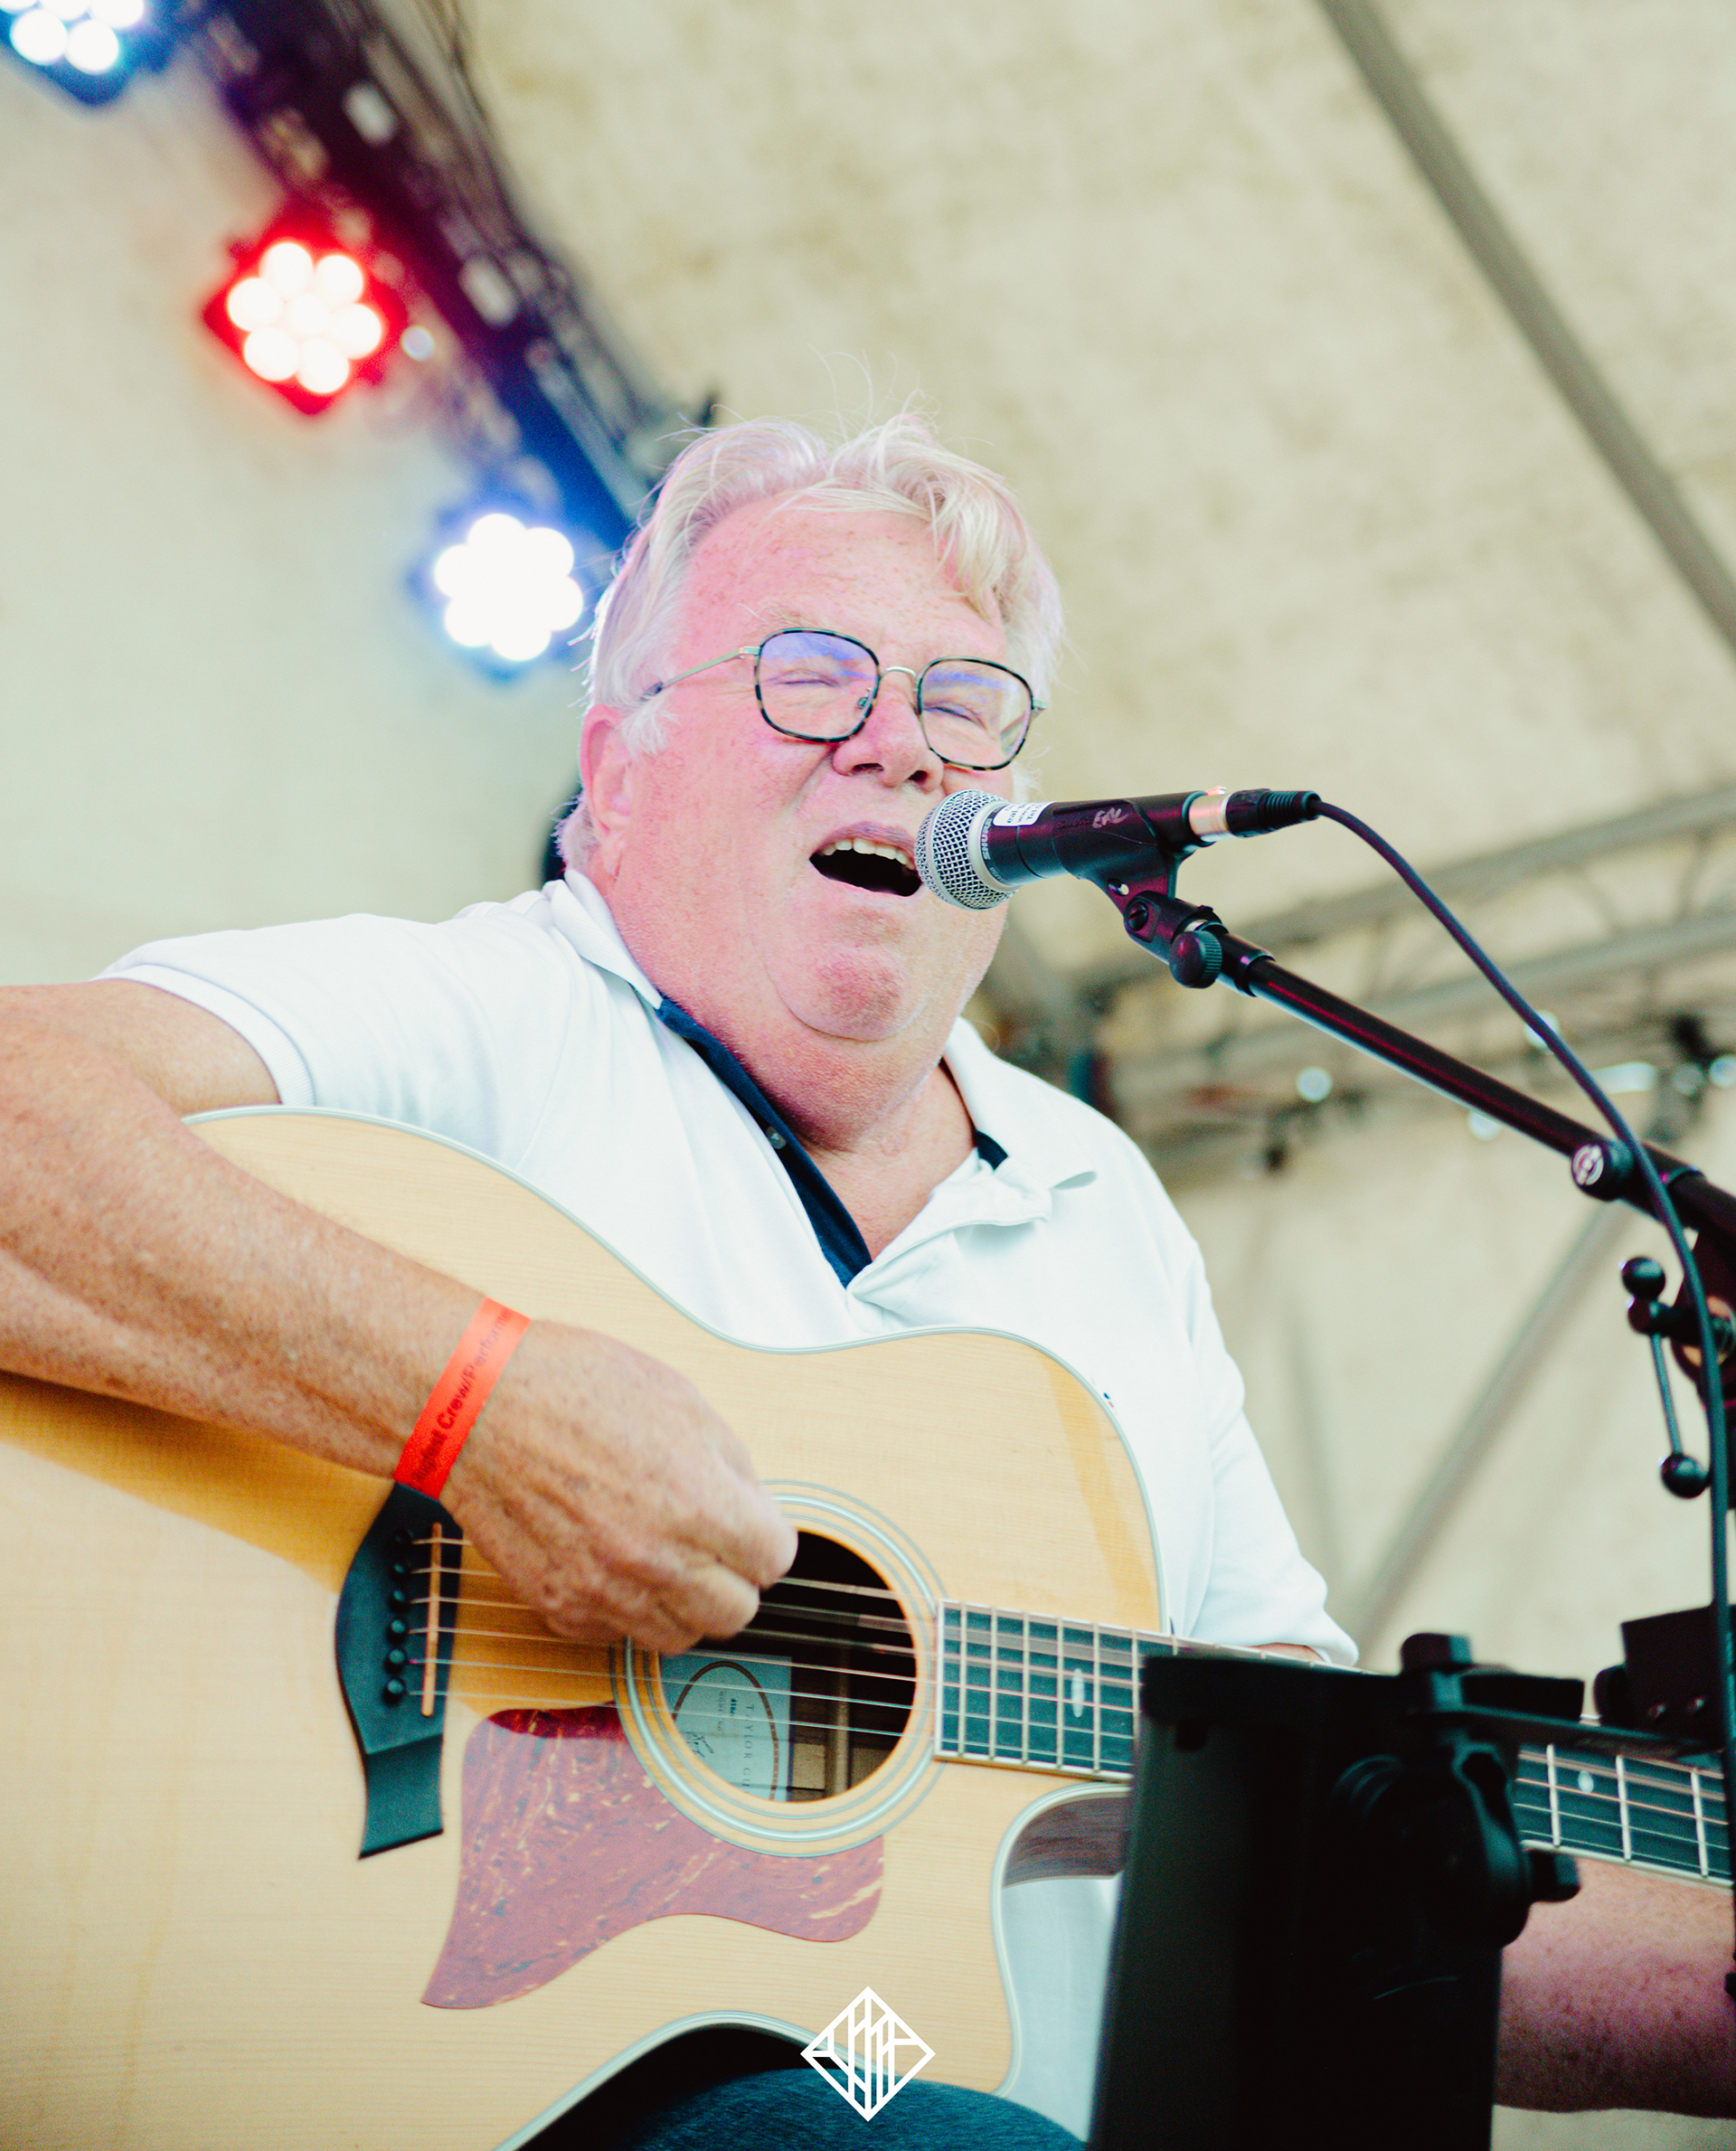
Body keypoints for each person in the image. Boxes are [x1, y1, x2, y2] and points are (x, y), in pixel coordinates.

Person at [1, 415, 1731, 2143]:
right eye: (812, 675)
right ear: (617, 768)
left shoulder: (1102, 1204)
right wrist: (478, 1403)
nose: (897, 744)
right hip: (398, 2053)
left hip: (861, 2052)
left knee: (918, 2080)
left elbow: (1336, 1837)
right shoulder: (492, 1017)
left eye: (963, 703)